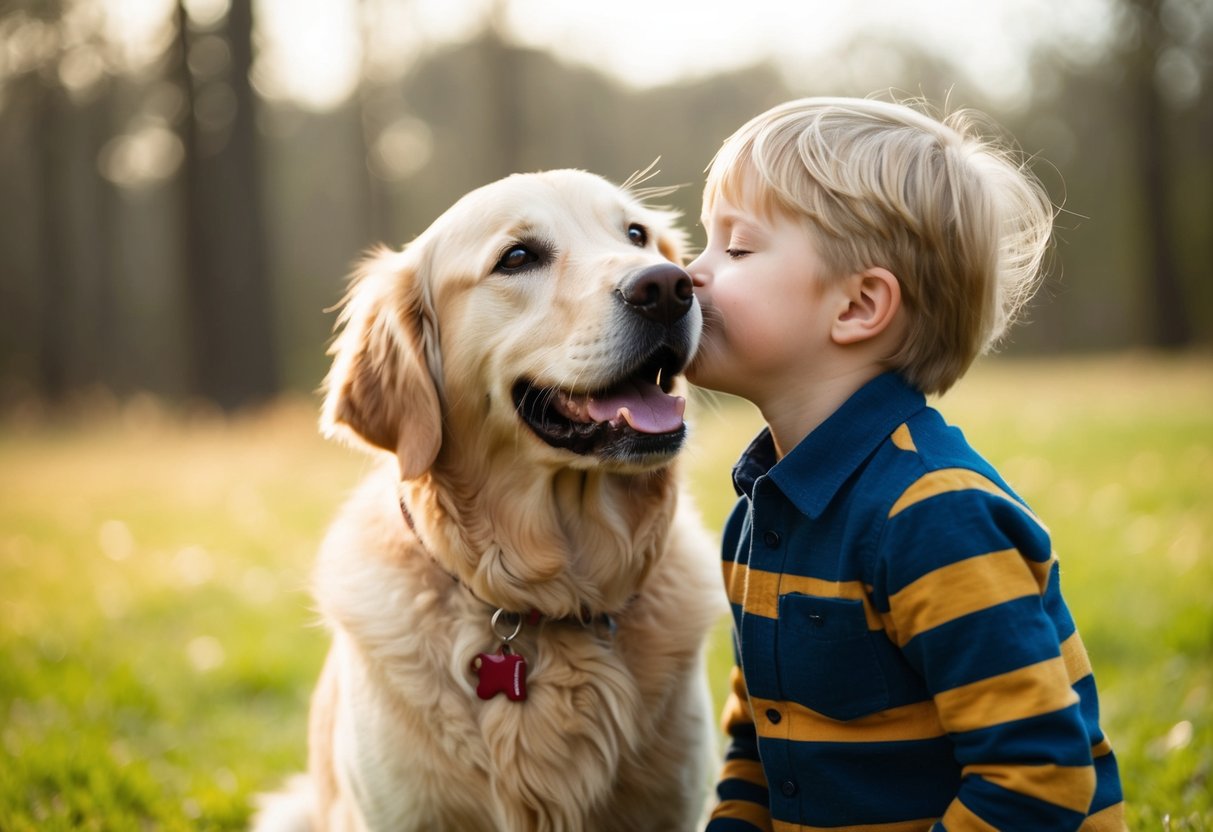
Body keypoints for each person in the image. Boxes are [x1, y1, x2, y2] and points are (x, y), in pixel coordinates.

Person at [686, 97, 1126, 831]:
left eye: (734, 249)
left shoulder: (930, 512)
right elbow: (757, 742)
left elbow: (1037, 776)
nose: (689, 273)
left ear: (858, 306)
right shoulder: (759, 514)